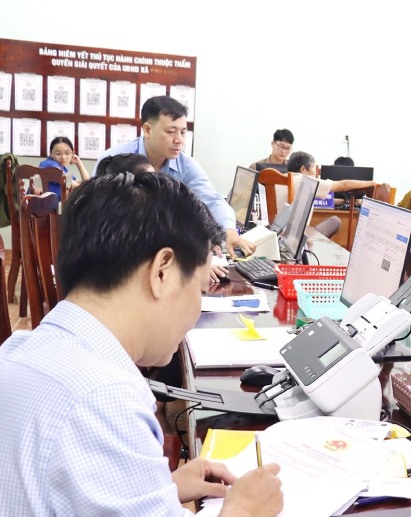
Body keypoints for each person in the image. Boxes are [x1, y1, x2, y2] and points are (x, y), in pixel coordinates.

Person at [0, 172, 283, 516]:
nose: (196, 308)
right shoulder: (105, 398)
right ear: (162, 271)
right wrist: (244, 510)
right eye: (200, 289)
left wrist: (156, 489)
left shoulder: (17, 350)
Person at [96, 96, 254, 282]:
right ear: (147, 129)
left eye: (183, 132)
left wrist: (229, 231)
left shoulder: (185, 165)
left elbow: (212, 200)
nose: (179, 140)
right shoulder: (115, 161)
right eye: (171, 132)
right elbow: (104, 224)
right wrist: (188, 263)